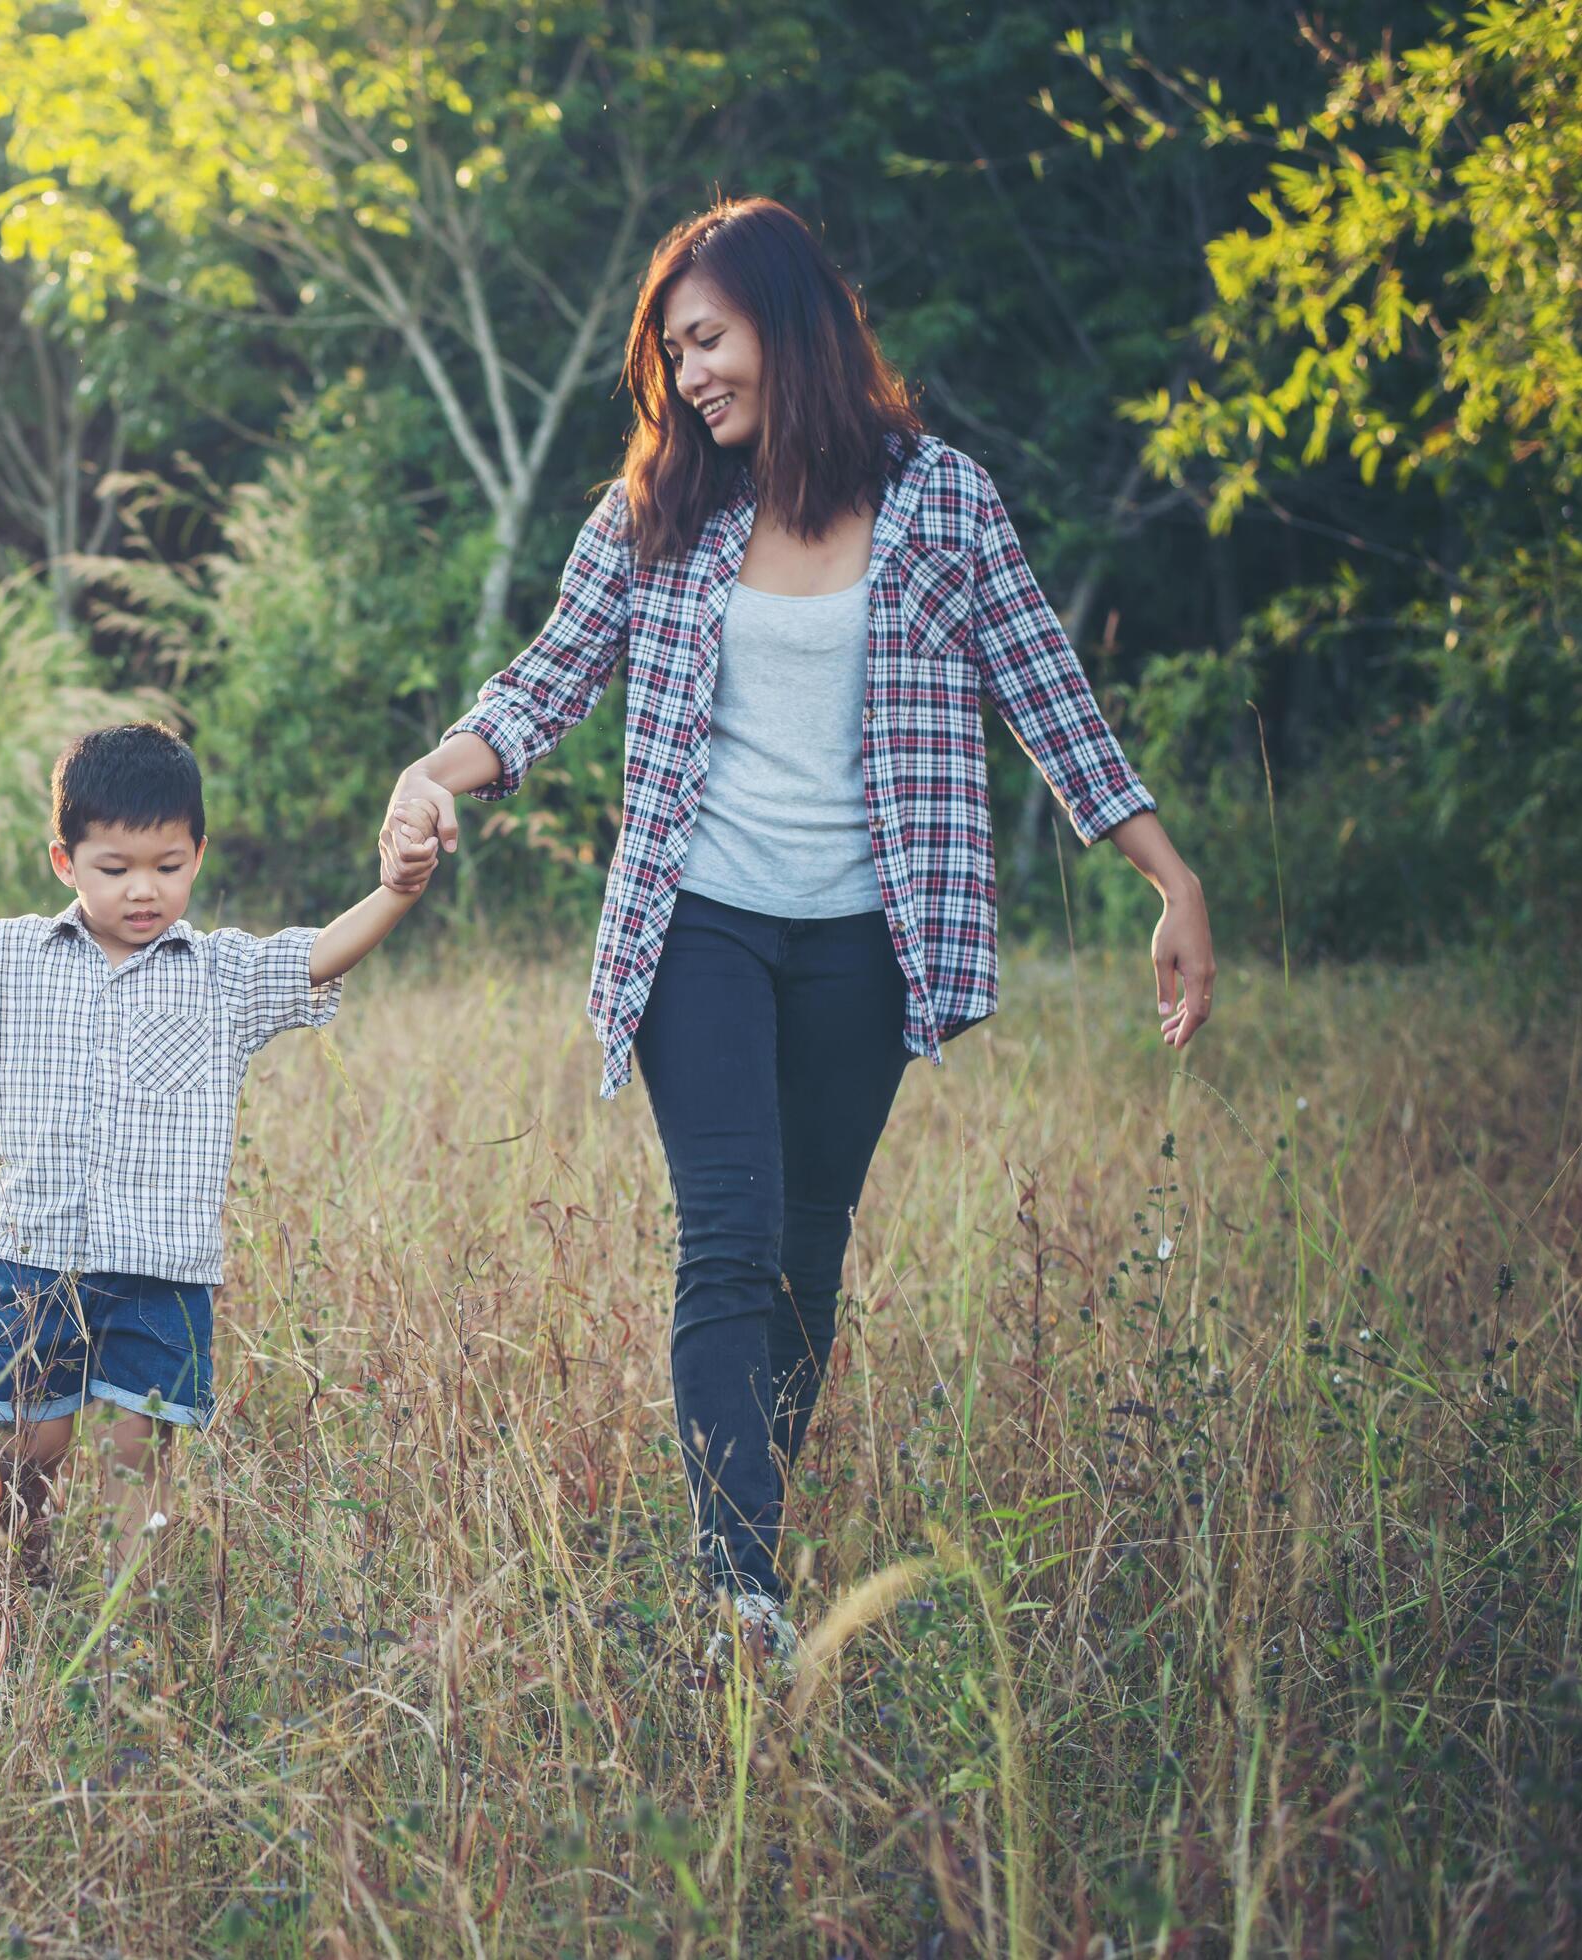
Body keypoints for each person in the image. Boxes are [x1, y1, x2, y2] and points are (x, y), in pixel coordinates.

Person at [377, 197, 1215, 1676]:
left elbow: (1048, 699)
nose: (690, 377)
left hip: (869, 941)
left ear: (790, 319)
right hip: (697, 922)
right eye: (671, 357)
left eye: (707, 340)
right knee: (729, 1238)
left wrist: (1171, 880)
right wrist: (433, 774)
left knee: (806, 1257)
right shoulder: (657, 511)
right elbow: (543, 687)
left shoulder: (940, 500)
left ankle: (748, 1525)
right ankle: (743, 1597)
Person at [0, 724, 418, 1596]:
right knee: (22, 1449)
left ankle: (132, 1627)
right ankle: (25, 1589)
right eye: (114, 868)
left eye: (167, 866)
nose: (142, 890)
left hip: (162, 1271)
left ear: (197, 856)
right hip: (37, 1259)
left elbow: (316, 954)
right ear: (65, 862)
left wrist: (394, 890)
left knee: (139, 1455)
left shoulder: (223, 974)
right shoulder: (17, 957)